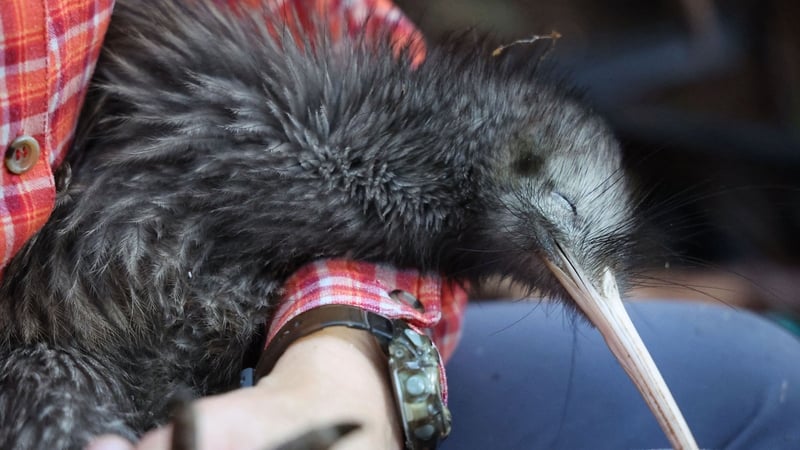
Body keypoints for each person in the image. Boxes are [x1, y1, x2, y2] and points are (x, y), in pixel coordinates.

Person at [3, 1, 800, 450]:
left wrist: (347, 359)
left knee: (762, 383)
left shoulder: (345, 124)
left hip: (218, 351)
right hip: (48, 371)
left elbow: (368, 43)